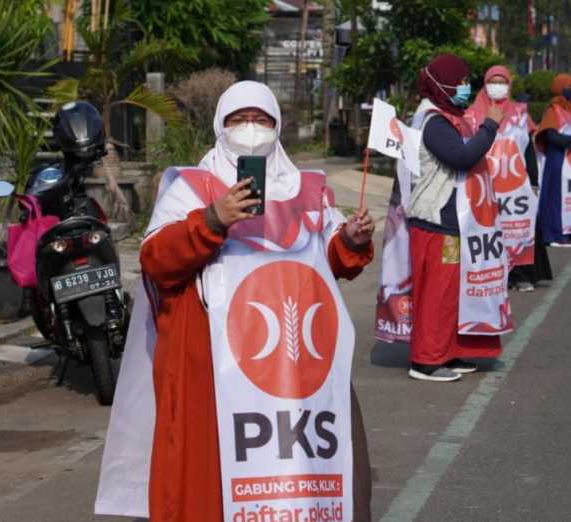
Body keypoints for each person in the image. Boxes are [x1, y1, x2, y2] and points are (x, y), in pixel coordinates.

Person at [94, 81, 375, 521]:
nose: (251, 129)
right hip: (213, 366)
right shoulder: (190, 186)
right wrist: (213, 219)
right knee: (213, 470)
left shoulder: (308, 190)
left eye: (261, 120)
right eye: (239, 120)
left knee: (301, 468)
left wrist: (350, 241)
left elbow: (327, 261)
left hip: (293, 368)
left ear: (277, 127)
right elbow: (156, 261)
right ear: (220, 126)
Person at [406, 53, 505, 382]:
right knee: (437, 294)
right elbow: (461, 157)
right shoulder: (434, 122)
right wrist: (490, 124)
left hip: (452, 219)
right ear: (442, 85)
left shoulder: (447, 115)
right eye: (459, 81)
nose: (465, 87)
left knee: (450, 293)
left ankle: (446, 352)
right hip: (435, 221)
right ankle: (426, 360)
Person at [466, 65, 550, 293]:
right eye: (493, 81)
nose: (497, 86)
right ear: (484, 84)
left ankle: (522, 275)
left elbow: (529, 151)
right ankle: (495, 275)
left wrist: (533, 182)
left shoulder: (521, 113)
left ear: (509, 85)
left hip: (517, 188)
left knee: (518, 230)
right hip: (485, 186)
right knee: (491, 232)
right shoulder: (472, 116)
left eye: (502, 81)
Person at [535, 73, 571, 248]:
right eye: (569, 86)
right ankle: (555, 233)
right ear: (560, 87)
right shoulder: (553, 109)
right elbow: (552, 136)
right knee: (557, 197)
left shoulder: (570, 108)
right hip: (558, 160)